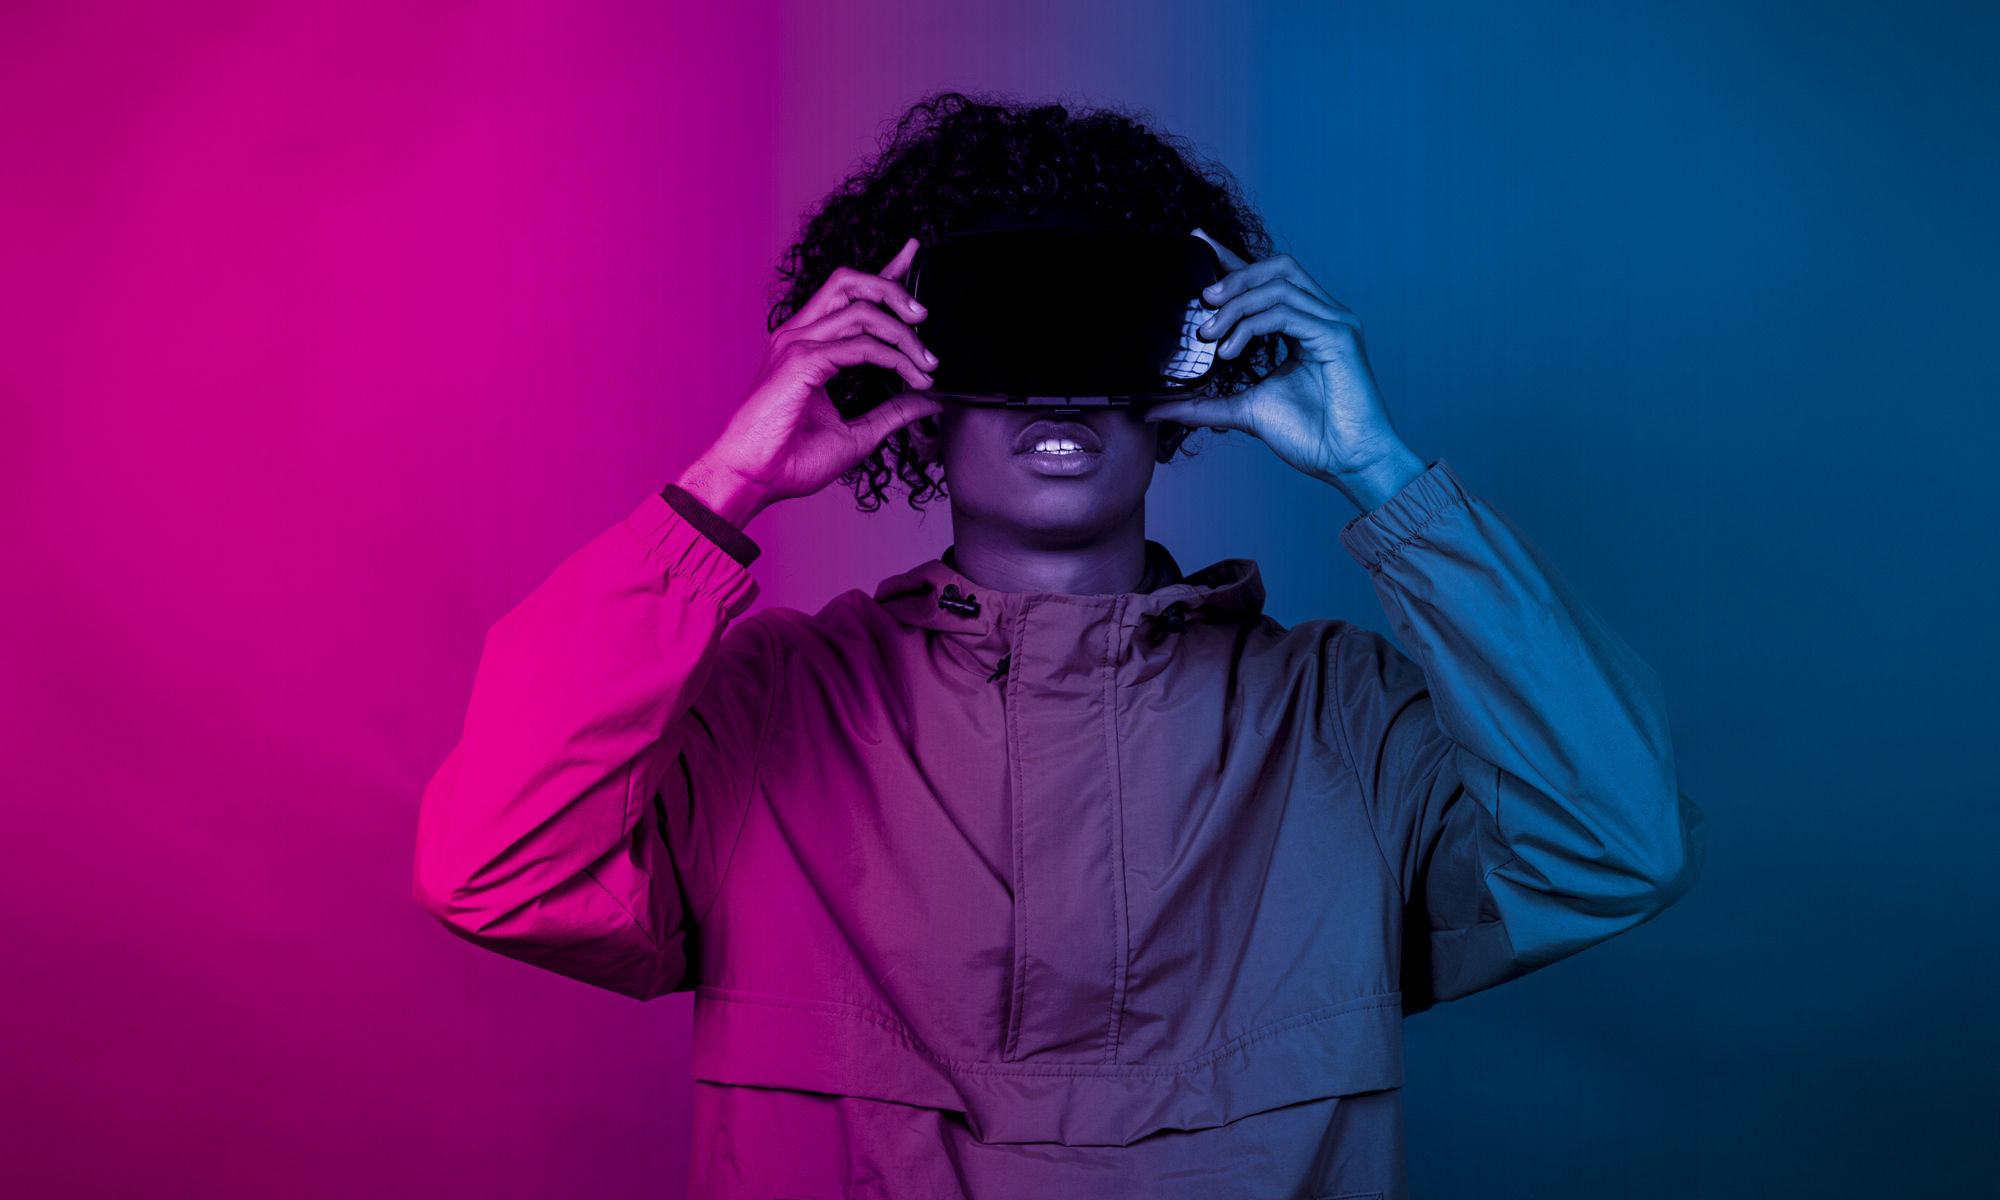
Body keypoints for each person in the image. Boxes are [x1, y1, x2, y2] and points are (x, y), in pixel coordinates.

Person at [412, 92, 1707, 1199]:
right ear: (903, 378)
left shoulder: (1340, 719)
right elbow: (497, 868)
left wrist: (1380, 470)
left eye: (1105, 327)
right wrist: (722, 492)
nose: (1058, 384)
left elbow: (1611, 849)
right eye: (1005, 327)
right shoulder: (770, 711)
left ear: (1190, 369)